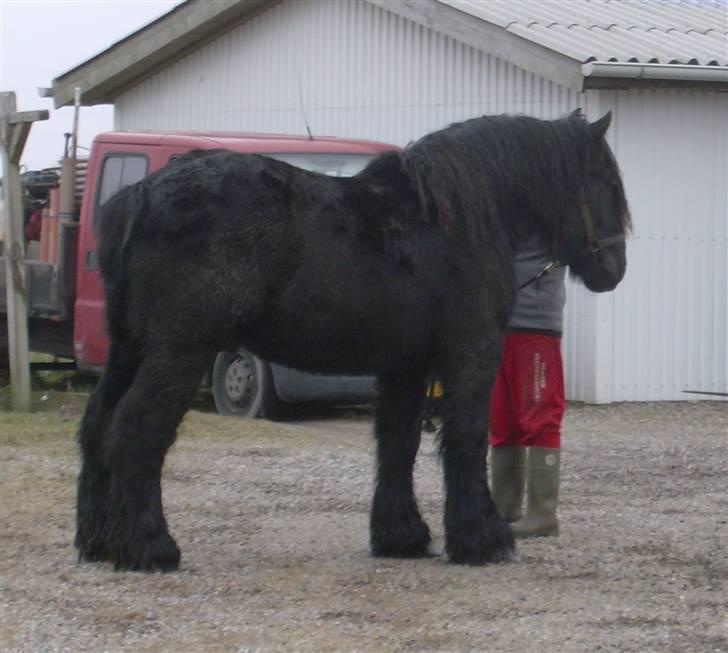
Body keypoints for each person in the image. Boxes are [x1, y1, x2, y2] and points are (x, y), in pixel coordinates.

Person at [488, 231, 566, 538]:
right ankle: (504, 508)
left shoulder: (555, 210)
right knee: (502, 420)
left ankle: (543, 514)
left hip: (536, 323)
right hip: (500, 321)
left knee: (541, 415)